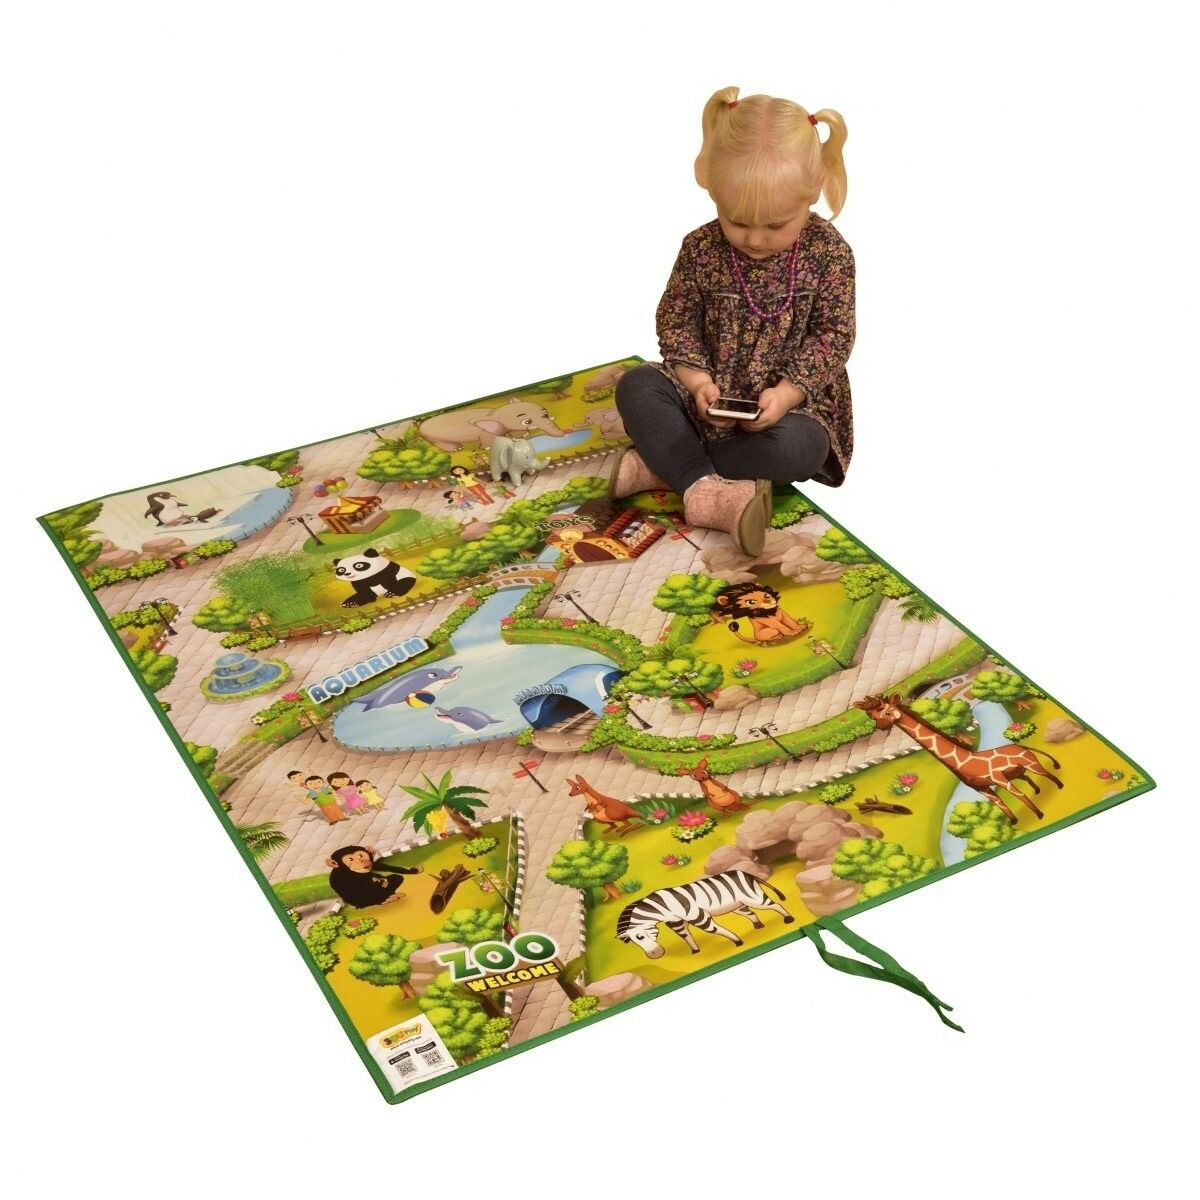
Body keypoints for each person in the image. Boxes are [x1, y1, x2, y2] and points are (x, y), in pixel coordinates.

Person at [612, 87, 854, 556]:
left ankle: (669, 467)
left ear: (813, 192)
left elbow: (834, 335)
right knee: (636, 385)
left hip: (788, 406)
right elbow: (677, 319)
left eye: (775, 225)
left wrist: (787, 394)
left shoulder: (830, 253)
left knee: (799, 450)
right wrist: (697, 382)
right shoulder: (701, 248)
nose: (755, 239)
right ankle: (704, 487)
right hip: (707, 395)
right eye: (737, 221)